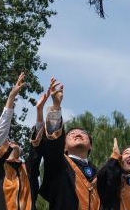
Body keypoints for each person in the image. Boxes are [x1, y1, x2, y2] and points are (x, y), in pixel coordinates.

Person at [34, 78, 100, 210]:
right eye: (71, 134)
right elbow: (53, 144)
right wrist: (56, 106)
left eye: (83, 133)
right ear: (64, 146)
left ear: (90, 146)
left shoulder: (100, 173)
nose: (78, 134)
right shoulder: (59, 164)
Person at [0, 72, 40, 210]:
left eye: (14, 142)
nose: (12, 142)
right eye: (9, 143)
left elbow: (37, 147)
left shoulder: (27, 169)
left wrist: (40, 112)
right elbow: (1, 132)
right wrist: (11, 97)